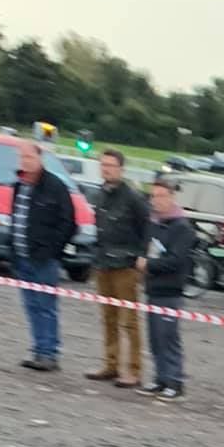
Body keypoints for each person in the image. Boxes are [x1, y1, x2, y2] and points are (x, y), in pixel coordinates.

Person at [9, 141, 76, 374]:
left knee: (46, 306)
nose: (25, 162)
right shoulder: (19, 185)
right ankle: (38, 349)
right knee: (31, 306)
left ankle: (49, 353)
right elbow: (16, 217)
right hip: (22, 256)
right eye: (22, 157)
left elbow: (68, 222)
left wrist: (52, 250)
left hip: (44, 259)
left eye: (29, 157)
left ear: (40, 159)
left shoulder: (55, 186)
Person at [88, 148, 150, 388]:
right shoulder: (100, 194)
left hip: (125, 266)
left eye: (111, 165)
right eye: (103, 165)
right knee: (108, 318)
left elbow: (147, 228)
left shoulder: (133, 197)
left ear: (121, 169)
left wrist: (142, 256)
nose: (106, 169)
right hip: (103, 263)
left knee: (129, 320)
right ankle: (111, 364)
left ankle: (134, 370)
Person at [140, 180, 197, 401]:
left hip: (171, 291)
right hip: (153, 289)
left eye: (161, 196)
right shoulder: (153, 223)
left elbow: (176, 260)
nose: (157, 200)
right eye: (153, 196)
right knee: (155, 338)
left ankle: (175, 381)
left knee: (169, 337)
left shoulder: (182, 228)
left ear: (172, 197)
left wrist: (149, 265)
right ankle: (161, 378)